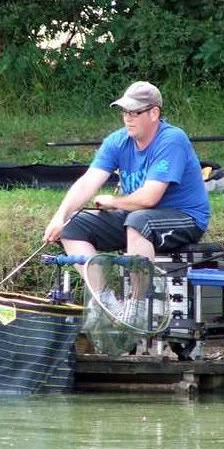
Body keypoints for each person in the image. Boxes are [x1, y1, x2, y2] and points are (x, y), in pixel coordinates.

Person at [43, 80, 210, 329]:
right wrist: (60, 216)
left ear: (154, 113)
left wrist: (114, 202)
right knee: (72, 225)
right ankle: (104, 300)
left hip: (185, 217)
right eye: (124, 112)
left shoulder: (172, 140)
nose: (127, 119)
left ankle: (137, 306)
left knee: (137, 221)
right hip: (138, 215)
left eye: (135, 112)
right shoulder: (117, 141)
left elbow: (150, 198)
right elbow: (88, 181)